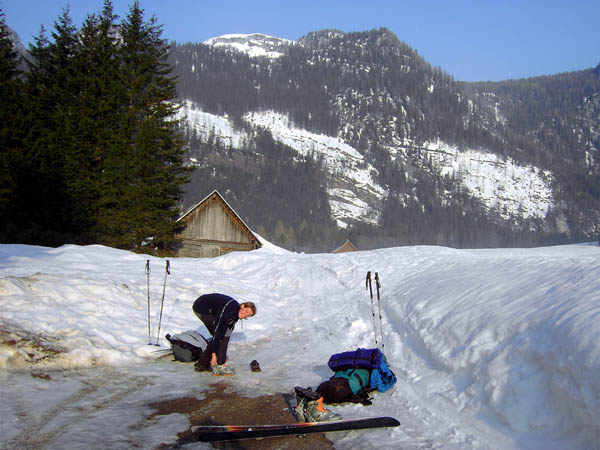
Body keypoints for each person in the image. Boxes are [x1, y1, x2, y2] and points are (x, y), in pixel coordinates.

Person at [192, 293, 256, 376]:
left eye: (248, 315)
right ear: (242, 306)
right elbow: (219, 332)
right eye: (246, 311)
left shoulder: (236, 312)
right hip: (201, 307)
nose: (245, 315)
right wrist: (214, 355)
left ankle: (202, 364)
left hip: (212, 309)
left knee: (223, 335)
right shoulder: (228, 311)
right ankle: (219, 366)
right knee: (221, 335)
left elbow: (228, 328)